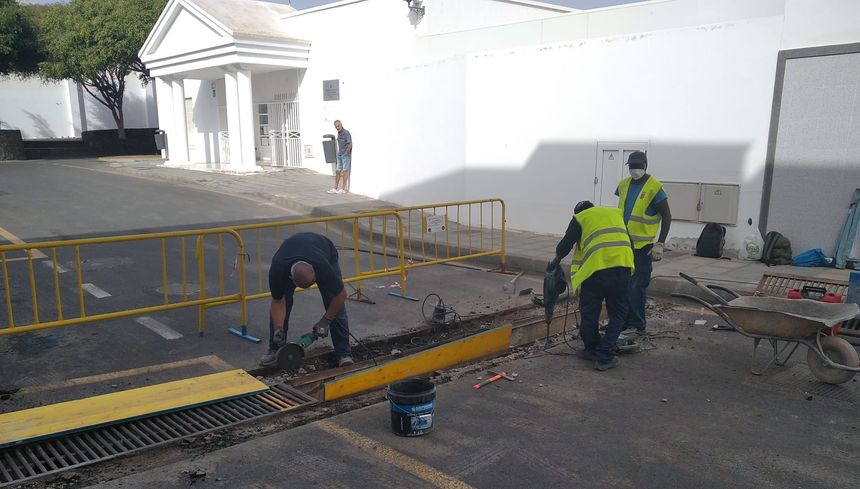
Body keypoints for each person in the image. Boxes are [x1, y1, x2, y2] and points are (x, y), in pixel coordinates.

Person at [549, 201, 634, 371]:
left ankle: (595, 351)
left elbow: (565, 245)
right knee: (618, 313)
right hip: (622, 268)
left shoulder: (580, 218)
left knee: (589, 312)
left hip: (595, 271)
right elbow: (629, 242)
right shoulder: (615, 215)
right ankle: (604, 355)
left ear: (579, 212)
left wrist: (555, 262)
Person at [260, 232, 354, 368]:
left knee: (332, 302)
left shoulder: (322, 265)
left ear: (315, 272)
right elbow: (278, 301)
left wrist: (326, 320)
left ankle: (344, 353)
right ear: (292, 280)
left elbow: (340, 295)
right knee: (285, 301)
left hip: (323, 248)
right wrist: (278, 328)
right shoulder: (278, 269)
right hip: (292, 254)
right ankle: (276, 349)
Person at [616, 151, 671, 335]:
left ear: (645, 165)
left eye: (638, 166)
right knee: (623, 285)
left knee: (636, 287)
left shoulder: (654, 187)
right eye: (632, 167)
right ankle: (623, 322)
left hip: (643, 247)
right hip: (624, 244)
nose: (635, 170)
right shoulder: (623, 184)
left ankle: (637, 325)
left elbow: (667, 215)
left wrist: (660, 243)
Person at [328, 120, 352, 194]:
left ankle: (343, 189)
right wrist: (339, 153)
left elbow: (350, 144)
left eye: (338, 126)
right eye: (336, 127)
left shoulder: (346, 133)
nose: (337, 128)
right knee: (338, 171)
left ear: (341, 124)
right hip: (340, 155)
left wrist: (346, 153)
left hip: (345, 155)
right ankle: (335, 188)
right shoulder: (339, 133)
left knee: (345, 171)